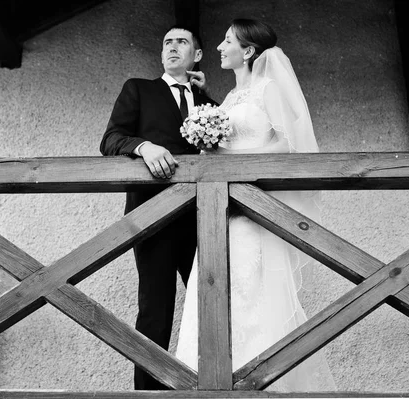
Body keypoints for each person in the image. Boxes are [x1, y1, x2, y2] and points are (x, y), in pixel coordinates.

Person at [175, 19, 337, 391]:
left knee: (254, 291)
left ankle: (264, 383)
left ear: (247, 51)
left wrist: (240, 164)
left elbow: (287, 144)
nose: (219, 46)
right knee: (218, 287)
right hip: (223, 210)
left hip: (251, 208)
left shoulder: (269, 89)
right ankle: (211, 381)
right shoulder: (229, 99)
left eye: (227, 41)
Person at [100, 25, 217, 390]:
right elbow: (110, 139)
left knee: (211, 308)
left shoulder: (208, 103)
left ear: (196, 55)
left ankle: (212, 389)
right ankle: (147, 394)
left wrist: (204, 92)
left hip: (203, 217)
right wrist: (144, 147)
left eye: (181, 42)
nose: (172, 47)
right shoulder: (139, 88)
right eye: (167, 42)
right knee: (155, 310)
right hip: (154, 217)